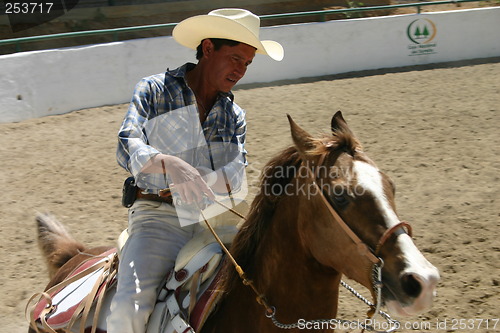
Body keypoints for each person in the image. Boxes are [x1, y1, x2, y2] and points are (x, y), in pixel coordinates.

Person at [108, 8, 284, 333]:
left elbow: (235, 173)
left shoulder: (234, 115)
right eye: (234, 58)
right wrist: (169, 164)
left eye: (247, 63)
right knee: (129, 312)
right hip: (158, 221)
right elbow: (125, 145)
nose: (240, 70)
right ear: (207, 49)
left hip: (215, 223)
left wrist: (204, 181)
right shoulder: (154, 90)